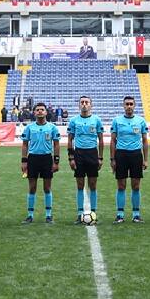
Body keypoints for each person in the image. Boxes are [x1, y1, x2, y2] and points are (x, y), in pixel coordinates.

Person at [110, 95, 150, 223]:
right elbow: (112, 140)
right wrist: (112, 159)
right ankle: (120, 214)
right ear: (123, 106)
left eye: (131, 104)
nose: (129, 106)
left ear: (134, 105)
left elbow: (144, 141)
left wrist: (145, 159)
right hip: (121, 155)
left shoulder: (140, 121)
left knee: (136, 186)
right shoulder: (117, 120)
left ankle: (136, 214)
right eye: (126, 104)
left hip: (136, 155)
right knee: (121, 186)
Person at [20, 103, 60, 223]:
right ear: (34, 113)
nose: (40, 111)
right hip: (33, 159)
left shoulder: (52, 127)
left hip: (47, 158)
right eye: (37, 110)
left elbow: (56, 144)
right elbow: (25, 144)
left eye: (42, 109)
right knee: (32, 188)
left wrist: (56, 161)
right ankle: (30, 215)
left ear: (46, 112)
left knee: (47, 188)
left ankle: (48, 215)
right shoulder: (29, 128)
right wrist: (24, 161)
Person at [67, 95, 105, 224]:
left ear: (91, 105)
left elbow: (101, 140)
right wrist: (71, 157)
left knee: (93, 185)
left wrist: (100, 157)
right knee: (80, 185)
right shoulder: (73, 121)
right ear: (79, 105)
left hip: (92, 154)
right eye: (82, 102)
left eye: (86, 102)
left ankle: (93, 212)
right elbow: (70, 140)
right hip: (79, 154)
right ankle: (79, 214)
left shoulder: (97, 120)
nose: (84, 104)